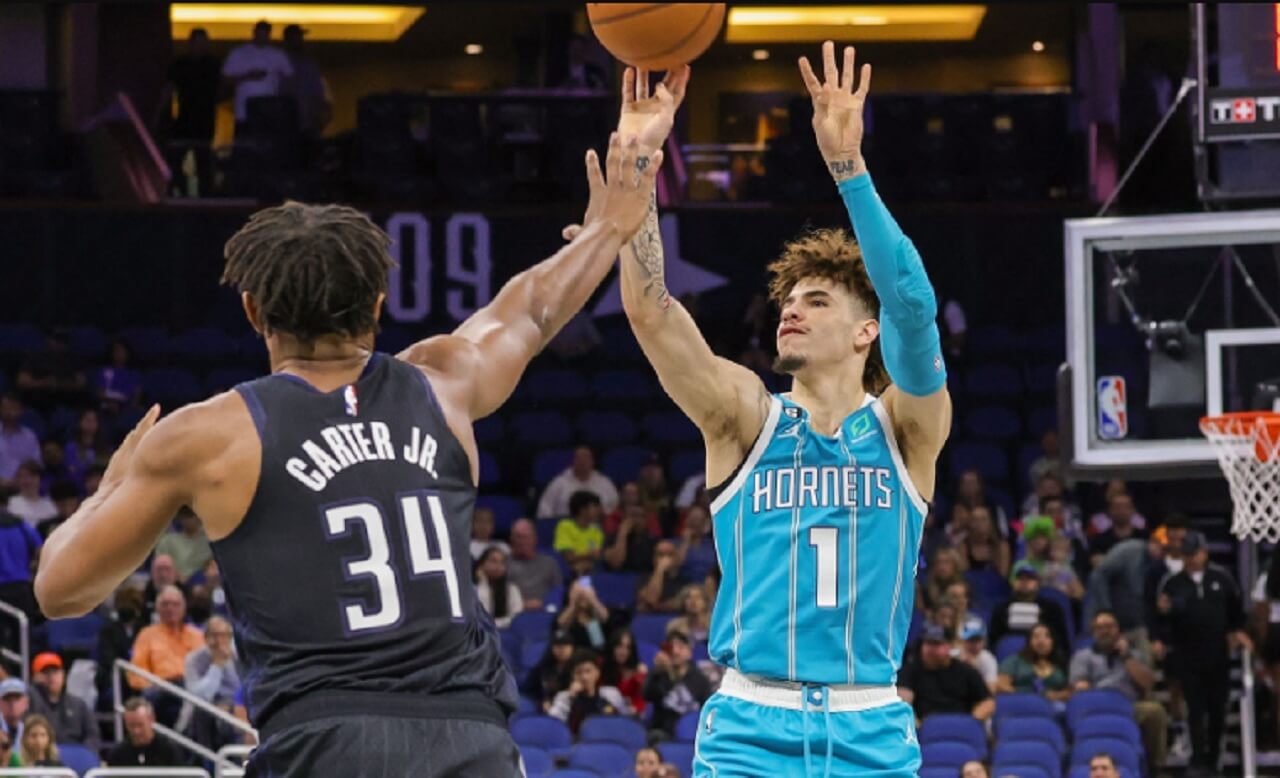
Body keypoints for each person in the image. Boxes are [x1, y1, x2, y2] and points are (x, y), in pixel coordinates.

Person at [34, 122, 665, 776]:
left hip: (324, 742)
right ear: (379, 305)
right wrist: (610, 229)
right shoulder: (443, 384)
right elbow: (530, 309)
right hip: (470, 740)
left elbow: (59, 590)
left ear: (253, 311)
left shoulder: (209, 434)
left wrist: (105, 493)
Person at [602, 47, 950, 775]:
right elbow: (651, 314)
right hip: (750, 729)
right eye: (787, 301)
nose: (791, 310)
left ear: (865, 331)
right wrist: (640, 164)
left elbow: (913, 307)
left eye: (816, 300)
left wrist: (849, 169)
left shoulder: (908, 430)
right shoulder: (745, 418)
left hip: (872, 728)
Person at [1155, 530, 1250, 776]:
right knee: (1195, 709)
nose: (1191, 559)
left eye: (1194, 553)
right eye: (1186, 555)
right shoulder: (1173, 583)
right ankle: (1198, 759)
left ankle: (1214, 757)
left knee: (1218, 707)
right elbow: (1161, 618)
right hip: (1188, 655)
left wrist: (1236, 632)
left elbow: (1235, 611)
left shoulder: (1222, 578)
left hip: (1217, 654)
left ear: (1204, 552)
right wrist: (1162, 635)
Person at [1070, 610, 1167, 774]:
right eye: (1100, 627)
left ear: (1118, 630)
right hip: (1096, 709)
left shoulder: (1134, 655)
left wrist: (1126, 656)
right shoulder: (1083, 656)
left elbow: (1147, 684)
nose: (1105, 631)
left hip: (1129, 707)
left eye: (1109, 626)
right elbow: (1078, 687)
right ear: (1094, 632)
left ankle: (1155, 768)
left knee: (1155, 711)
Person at [128, 585, 204, 726]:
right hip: (162, 688)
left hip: (192, 687)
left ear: (184, 608)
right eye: (165, 604)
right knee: (150, 698)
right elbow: (136, 672)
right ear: (157, 609)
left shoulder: (197, 635)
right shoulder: (147, 634)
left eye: (175, 604)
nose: (170, 609)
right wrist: (153, 686)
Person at [898, 625, 994, 725]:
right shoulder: (910, 670)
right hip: (926, 728)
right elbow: (904, 701)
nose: (930, 649)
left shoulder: (965, 671)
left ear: (950, 646)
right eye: (927, 643)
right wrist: (916, 726)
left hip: (961, 725)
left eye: (937, 644)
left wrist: (971, 721)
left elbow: (988, 702)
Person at [221, 20, 293, 131]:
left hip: (269, 112)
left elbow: (289, 78)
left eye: (265, 34)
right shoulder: (238, 53)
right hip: (243, 112)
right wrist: (247, 76)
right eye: (260, 34)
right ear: (254, 33)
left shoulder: (278, 55)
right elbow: (226, 80)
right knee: (245, 143)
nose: (262, 37)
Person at [184, 616, 242, 750]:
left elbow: (241, 689)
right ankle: (208, 765)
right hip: (202, 713)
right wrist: (217, 665)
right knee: (204, 714)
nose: (220, 641)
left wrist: (229, 704)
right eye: (215, 635)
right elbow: (200, 697)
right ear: (206, 637)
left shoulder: (239, 658)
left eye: (225, 635)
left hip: (233, 710)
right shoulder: (194, 660)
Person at [989, 562, 1071, 654]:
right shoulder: (1001, 610)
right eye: (1020, 578)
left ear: (1037, 583)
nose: (1025, 582)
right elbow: (993, 641)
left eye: (1030, 579)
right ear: (1013, 583)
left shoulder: (1052, 609)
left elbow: (1061, 642)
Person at [643, 631, 712, 737]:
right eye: (671, 648)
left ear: (689, 652)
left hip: (692, 733)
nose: (675, 652)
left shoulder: (700, 680)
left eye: (680, 647)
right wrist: (656, 671)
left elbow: (708, 711)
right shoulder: (659, 675)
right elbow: (646, 695)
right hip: (662, 733)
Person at [28, 652, 98, 751]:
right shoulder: (28, 703)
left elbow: (92, 735)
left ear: (63, 675)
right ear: (35, 677)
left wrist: (84, 755)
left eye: (55, 672)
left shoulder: (79, 705)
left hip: (76, 759)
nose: (51, 676)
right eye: (45, 672)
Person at [547, 650, 630, 733]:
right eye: (578, 672)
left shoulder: (611, 693)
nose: (584, 677)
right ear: (572, 675)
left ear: (597, 673)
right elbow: (552, 725)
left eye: (588, 671)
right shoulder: (564, 697)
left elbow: (625, 721)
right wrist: (570, 697)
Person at [995, 623, 1070, 702]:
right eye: (1036, 637)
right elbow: (1000, 686)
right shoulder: (1014, 661)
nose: (1041, 641)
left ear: (1053, 642)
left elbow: (1070, 691)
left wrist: (1055, 696)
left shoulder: (1061, 663)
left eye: (1047, 636)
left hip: (1055, 706)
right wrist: (1030, 697)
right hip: (1021, 703)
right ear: (1028, 642)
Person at [537, 446, 618, 519]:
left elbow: (615, 510)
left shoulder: (605, 483)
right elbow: (544, 511)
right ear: (573, 461)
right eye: (579, 458)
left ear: (592, 461)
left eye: (586, 458)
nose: (582, 462)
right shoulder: (558, 484)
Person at [281, 24, 331, 138]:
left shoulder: (309, 65)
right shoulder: (279, 65)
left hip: (307, 127)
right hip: (290, 126)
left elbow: (320, 95)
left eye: (300, 38)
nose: (300, 41)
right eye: (297, 38)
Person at [106, 697, 187, 767]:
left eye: (140, 725)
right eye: (131, 726)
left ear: (151, 719)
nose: (136, 731)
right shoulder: (118, 754)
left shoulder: (169, 750)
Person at [507, 518, 562, 610]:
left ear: (535, 539)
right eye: (518, 537)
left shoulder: (550, 563)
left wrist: (545, 604)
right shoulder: (503, 564)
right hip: (514, 613)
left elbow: (559, 592)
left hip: (545, 611)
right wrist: (521, 604)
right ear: (511, 540)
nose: (522, 542)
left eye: (526, 537)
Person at [154, 509, 213, 582]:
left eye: (191, 515)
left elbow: (212, 566)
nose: (188, 520)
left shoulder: (210, 540)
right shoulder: (167, 541)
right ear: (179, 517)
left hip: (203, 583)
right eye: (184, 516)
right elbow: (160, 565)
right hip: (174, 584)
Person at [523, 630, 576, 709]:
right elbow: (528, 689)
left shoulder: (579, 667)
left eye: (565, 645)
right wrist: (542, 700)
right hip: (545, 708)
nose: (561, 650)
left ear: (572, 648)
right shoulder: (543, 667)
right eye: (558, 646)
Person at [553, 491, 606, 571]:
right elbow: (569, 557)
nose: (599, 511)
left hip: (590, 571)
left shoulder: (597, 531)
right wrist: (588, 555)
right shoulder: (565, 526)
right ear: (583, 510)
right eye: (595, 506)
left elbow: (595, 557)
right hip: (568, 571)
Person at [555, 579, 612, 651]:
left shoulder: (595, 620)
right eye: (579, 594)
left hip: (594, 656)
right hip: (572, 658)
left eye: (585, 594)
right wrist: (572, 604)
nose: (582, 597)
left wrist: (593, 600)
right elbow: (559, 625)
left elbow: (606, 619)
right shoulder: (568, 618)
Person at [474, 546, 523, 629]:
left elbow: (516, 618)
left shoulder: (512, 589)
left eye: (502, 562)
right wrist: (483, 583)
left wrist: (494, 624)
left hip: (506, 633)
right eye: (493, 561)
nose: (498, 566)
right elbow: (481, 618)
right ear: (481, 564)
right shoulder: (473, 589)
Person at [601, 627, 647, 715]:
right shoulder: (601, 666)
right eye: (619, 646)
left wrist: (634, 709)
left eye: (627, 648)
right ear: (612, 647)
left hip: (629, 717)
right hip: (604, 714)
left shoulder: (639, 672)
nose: (623, 652)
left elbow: (640, 703)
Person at [0, 394, 41, 489]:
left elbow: (37, 465)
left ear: (21, 410)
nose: (9, 411)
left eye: (13, 407)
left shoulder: (30, 436)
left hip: (24, 488)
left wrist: (22, 478)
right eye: (6, 407)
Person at [638, 539, 690, 613]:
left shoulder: (685, 580)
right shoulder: (644, 578)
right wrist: (660, 569)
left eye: (669, 554)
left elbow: (680, 604)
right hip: (649, 619)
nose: (665, 559)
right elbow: (651, 599)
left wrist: (657, 606)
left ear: (676, 558)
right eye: (661, 555)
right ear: (654, 558)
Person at [603, 502, 656, 573]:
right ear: (624, 518)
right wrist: (623, 532)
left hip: (644, 579)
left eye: (642, 516)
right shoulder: (611, 539)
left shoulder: (653, 541)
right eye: (633, 515)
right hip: (618, 580)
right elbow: (616, 563)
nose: (637, 520)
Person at [957, 506, 1009, 578]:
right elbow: (964, 576)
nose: (979, 523)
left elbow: (1003, 576)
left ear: (990, 522)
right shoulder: (963, 546)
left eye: (983, 519)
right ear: (970, 524)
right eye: (975, 520)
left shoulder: (1001, 546)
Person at [64, 409, 107, 487]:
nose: (90, 423)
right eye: (87, 420)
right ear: (80, 422)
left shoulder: (104, 448)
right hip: (78, 488)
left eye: (94, 420)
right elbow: (71, 471)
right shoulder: (71, 447)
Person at [7, 461, 57, 527]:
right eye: (23, 476)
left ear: (40, 479)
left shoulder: (50, 506)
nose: (28, 481)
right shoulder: (10, 504)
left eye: (32, 476)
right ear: (17, 480)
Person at [958, 619, 998, 692]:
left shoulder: (988, 659)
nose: (974, 644)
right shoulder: (953, 657)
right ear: (962, 641)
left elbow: (991, 692)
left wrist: (973, 670)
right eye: (970, 640)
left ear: (984, 641)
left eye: (977, 640)